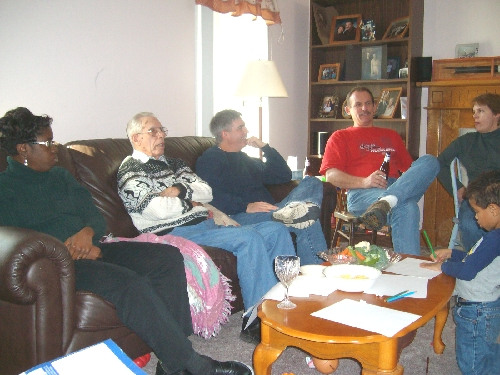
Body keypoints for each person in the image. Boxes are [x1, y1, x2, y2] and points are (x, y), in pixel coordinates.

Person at [0, 107, 253, 375]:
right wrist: (64, 249)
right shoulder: (6, 189)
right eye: (47, 142)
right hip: (59, 265)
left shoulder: (61, 177)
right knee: (128, 283)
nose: (54, 148)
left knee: (167, 258)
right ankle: (191, 365)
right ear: (23, 149)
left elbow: (94, 216)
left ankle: (172, 360)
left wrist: (87, 235)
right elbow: (13, 239)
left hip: (95, 246)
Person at [117, 112, 296, 344]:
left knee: (277, 230)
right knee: (249, 238)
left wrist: (179, 191)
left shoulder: (176, 163)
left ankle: (285, 303)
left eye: (162, 130)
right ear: (135, 138)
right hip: (174, 233)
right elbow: (155, 210)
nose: (161, 135)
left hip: (207, 225)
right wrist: (190, 201)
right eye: (153, 131)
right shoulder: (130, 170)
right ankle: (257, 321)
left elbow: (206, 191)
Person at [195, 109, 327, 265]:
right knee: (306, 219)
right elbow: (209, 194)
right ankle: (315, 274)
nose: (246, 131)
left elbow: (283, 175)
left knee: (312, 182)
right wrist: (246, 206)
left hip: (273, 210)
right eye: (240, 128)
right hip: (239, 216)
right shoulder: (210, 159)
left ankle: (293, 213)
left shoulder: (245, 159)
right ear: (225, 134)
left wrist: (265, 148)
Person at [319, 87, 440, 255]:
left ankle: (388, 201)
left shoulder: (391, 135)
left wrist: (397, 188)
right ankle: (407, 271)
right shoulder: (340, 137)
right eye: (358, 105)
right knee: (407, 207)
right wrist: (365, 181)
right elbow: (330, 176)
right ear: (348, 110)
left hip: (394, 187)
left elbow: (412, 171)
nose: (364, 108)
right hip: (362, 193)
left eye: (368, 104)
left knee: (430, 161)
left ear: (375, 107)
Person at [420, 170, 500, 375]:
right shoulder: (494, 237)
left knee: (473, 365)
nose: (475, 217)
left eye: (476, 211)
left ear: (493, 210)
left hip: (477, 310)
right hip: (486, 308)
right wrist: (452, 254)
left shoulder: (494, 239)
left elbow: (468, 270)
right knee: (488, 353)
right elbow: (477, 260)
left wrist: (442, 267)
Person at [436, 93, 500, 252]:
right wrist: (457, 187)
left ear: (496, 114)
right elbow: (439, 163)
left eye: (481, 111)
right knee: (471, 224)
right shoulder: (466, 141)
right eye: (474, 111)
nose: (475, 116)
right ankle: (477, 261)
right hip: (476, 197)